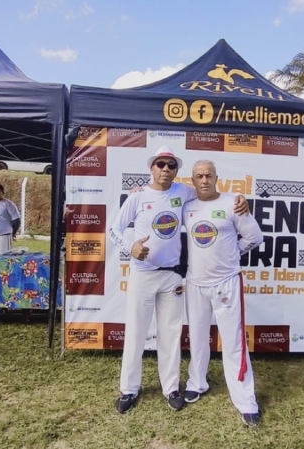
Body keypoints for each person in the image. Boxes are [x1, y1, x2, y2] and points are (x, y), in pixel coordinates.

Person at [107, 145, 248, 414]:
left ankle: (170, 388)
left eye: (171, 165)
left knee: (171, 334)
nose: (165, 169)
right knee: (136, 332)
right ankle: (129, 389)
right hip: (142, 274)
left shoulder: (184, 192)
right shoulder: (137, 197)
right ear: (151, 168)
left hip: (172, 275)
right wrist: (129, 247)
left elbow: (211, 194)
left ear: (176, 171)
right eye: (160, 164)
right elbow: (114, 229)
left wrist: (240, 200)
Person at [181, 160, 264, 427]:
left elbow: (255, 237)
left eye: (208, 175)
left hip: (226, 283)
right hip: (195, 284)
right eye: (199, 176)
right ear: (193, 180)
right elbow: (160, 201)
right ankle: (196, 383)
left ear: (217, 178)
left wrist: (233, 253)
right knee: (197, 339)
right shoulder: (186, 206)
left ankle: (246, 401)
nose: (204, 180)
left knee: (234, 343)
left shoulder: (233, 204)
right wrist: (138, 193)